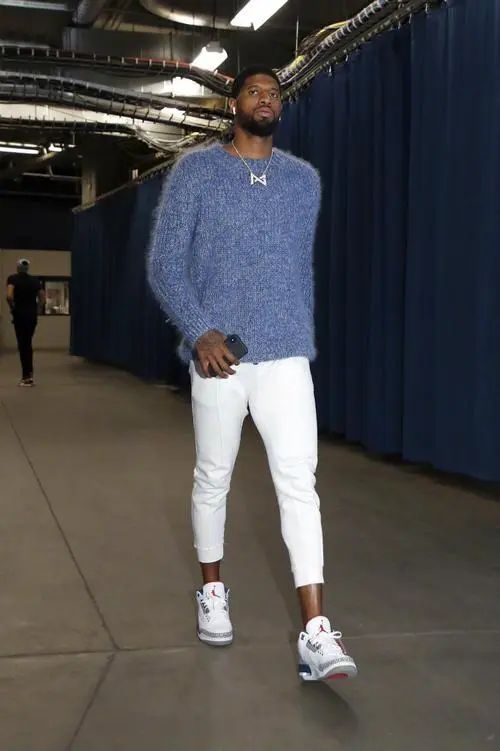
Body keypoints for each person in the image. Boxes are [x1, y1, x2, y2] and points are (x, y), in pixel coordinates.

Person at [148, 65, 357, 682]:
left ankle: (315, 632)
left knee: (299, 485)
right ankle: (212, 592)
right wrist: (199, 331)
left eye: (275, 93)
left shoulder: (303, 181)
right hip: (219, 359)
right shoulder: (196, 173)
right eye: (254, 91)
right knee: (213, 476)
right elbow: (165, 264)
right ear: (233, 104)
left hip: (286, 355)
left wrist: (296, 332)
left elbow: (295, 273)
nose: (266, 99)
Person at [6, 259, 44, 387]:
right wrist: (38, 310)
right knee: (27, 344)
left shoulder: (12, 279)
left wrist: (13, 308)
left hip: (19, 316)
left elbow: (9, 296)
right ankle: (29, 375)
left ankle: (26, 377)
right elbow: (42, 297)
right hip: (31, 316)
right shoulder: (35, 280)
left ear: (17, 268)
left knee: (23, 345)